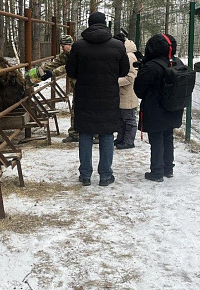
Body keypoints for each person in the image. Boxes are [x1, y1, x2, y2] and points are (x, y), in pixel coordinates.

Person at [66, 12, 129, 186]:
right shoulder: (117, 46)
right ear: (105, 25)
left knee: (85, 134)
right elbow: (124, 71)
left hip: (85, 97)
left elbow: (70, 71)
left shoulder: (78, 46)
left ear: (89, 24)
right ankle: (106, 175)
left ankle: (85, 175)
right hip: (108, 97)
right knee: (107, 135)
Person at [133, 33, 185, 182]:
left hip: (155, 109)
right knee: (168, 137)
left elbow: (139, 91)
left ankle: (156, 171)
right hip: (173, 107)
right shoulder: (177, 62)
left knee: (156, 140)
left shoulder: (151, 66)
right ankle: (168, 168)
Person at [42, 35, 79, 143]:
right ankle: (74, 133)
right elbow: (55, 63)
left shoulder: (77, 53)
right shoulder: (65, 55)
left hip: (84, 85)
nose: (62, 48)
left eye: (64, 46)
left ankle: (95, 134)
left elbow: (68, 67)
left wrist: (52, 73)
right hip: (76, 86)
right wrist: (40, 70)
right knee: (75, 109)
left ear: (70, 45)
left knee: (87, 109)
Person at [113, 33, 139, 150]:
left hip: (127, 92)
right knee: (120, 118)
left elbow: (131, 77)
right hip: (121, 92)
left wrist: (114, 81)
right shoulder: (123, 54)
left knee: (129, 119)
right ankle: (121, 138)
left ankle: (129, 141)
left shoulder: (129, 57)